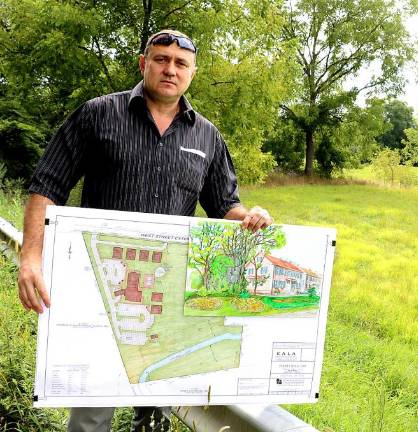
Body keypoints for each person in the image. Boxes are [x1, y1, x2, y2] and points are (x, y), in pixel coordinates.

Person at [17, 29, 273, 432]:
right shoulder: (99, 114)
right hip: (102, 289)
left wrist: (251, 217)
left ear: (192, 72)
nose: (170, 69)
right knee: (91, 416)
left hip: (167, 298)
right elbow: (47, 185)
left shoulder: (207, 136)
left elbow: (225, 205)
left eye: (180, 63)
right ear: (144, 63)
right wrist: (30, 256)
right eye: (161, 59)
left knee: (155, 416)